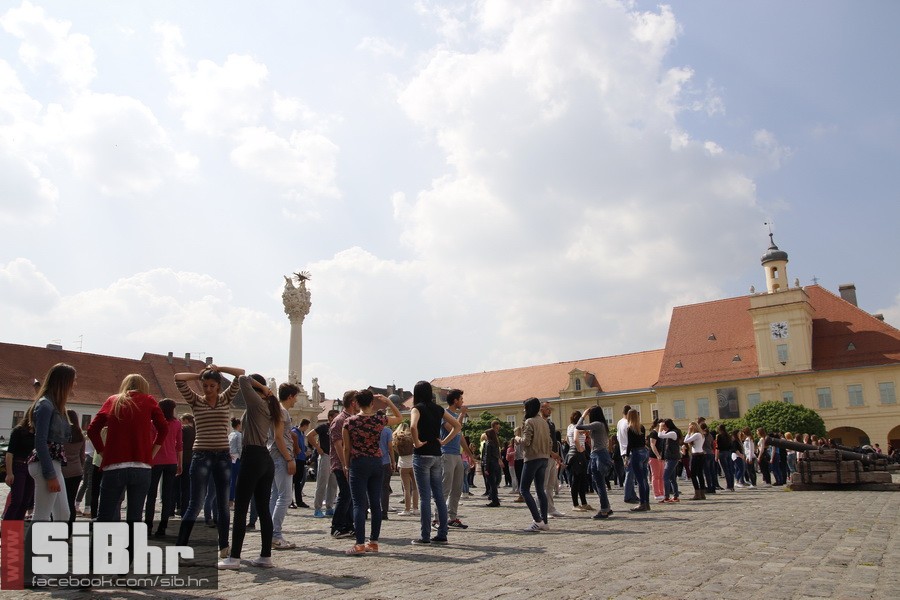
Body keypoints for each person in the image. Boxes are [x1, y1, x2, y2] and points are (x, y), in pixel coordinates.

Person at [88, 374, 168, 570]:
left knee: (104, 517)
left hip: (114, 466)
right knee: (135, 518)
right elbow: (163, 429)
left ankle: (92, 568)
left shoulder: (113, 401)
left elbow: (92, 429)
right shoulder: (149, 400)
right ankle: (125, 567)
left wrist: (102, 451)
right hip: (141, 467)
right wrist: (152, 451)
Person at [174, 364, 245, 560]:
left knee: (223, 503)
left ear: (219, 386)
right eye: (205, 385)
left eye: (212, 385)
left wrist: (218, 368)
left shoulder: (225, 398)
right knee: (195, 503)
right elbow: (178, 377)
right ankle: (180, 547)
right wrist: (200, 374)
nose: (208, 389)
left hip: (222, 455)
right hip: (201, 455)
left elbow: (240, 374)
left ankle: (224, 546)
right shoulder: (196, 401)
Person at [218, 374, 282, 570]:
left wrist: (262, 387)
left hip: (252, 456)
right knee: (263, 509)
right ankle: (265, 556)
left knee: (241, 508)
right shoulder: (269, 405)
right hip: (265, 458)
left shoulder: (257, 403)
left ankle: (234, 557)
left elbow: (243, 379)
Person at [341, 389, 403, 555]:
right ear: (372, 403)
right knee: (375, 504)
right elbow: (399, 418)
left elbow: (346, 448)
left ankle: (359, 544)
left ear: (356, 403)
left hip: (358, 463)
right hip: (376, 462)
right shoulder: (379, 420)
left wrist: (346, 466)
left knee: (359, 504)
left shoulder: (349, 422)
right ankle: (374, 542)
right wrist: (388, 401)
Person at [410, 380, 461, 545]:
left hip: (422, 455)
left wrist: (416, 443)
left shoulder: (416, 408)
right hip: (437, 454)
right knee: (439, 496)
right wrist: (444, 441)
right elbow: (457, 426)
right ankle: (442, 533)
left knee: (425, 497)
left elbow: (413, 427)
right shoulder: (439, 409)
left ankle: (425, 536)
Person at [28, 363, 75, 523]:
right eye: (72, 380)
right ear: (63, 381)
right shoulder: (45, 405)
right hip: (45, 464)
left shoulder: (54, 405)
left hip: (53, 463)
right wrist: (50, 475)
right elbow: (40, 441)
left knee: (63, 515)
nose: (74, 384)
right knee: (41, 516)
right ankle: (32, 542)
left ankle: (53, 540)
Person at [146, 398, 183, 537]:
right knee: (167, 495)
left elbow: (150, 442)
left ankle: (148, 526)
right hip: (171, 461)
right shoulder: (177, 424)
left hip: (155, 461)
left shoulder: (153, 423)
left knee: (151, 495)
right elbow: (179, 445)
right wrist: (180, 463)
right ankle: (162, 527)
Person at [440, 389, 476, 530]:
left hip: (457, 455)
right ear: (455, 401)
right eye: (461, 399)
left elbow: (460, 437)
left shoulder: (455, 415)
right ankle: (438, 518)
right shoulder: (445, 414)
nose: (462, 401)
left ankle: (452, 517)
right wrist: (461, 415)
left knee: (457, 489)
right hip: (447, 454)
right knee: (445, 488)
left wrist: (470, 455)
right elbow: (453, 430)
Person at [270, 383, 300, 550]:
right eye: (295, 397)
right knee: (285, 497)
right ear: (290, 396)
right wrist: (289, 459)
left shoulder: (277, 410)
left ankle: (270, 533)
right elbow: (278, 437)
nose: (296, 400)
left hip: (275, 456)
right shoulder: (282, 411)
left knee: (275, 496)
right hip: (281, 457)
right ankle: (275, 535)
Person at [518, 398, 551, 532]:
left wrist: (517, 438)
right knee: (540, 490)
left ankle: (537, 520)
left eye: (525, 408)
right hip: (544, 458)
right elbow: (550, 442)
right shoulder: (544, 422)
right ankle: (544, 521)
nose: (524, 410)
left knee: (524, 489)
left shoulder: (529, 421)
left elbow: (526, 441)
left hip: (532, 458)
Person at [330, 391, 360, 538]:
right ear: (353, 403)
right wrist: (344, 464)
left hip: (349, 463)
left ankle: (348, 525)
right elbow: (338, 444)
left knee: (349, 495)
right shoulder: (340, 420)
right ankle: (337, 526)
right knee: (345, 494)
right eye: (358, 401)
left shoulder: (351, 419)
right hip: (341, 463)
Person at [575, 405, 613, 519]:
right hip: (598, 454)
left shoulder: (597, 424)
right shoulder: (602, 425)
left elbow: (578, 426)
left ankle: (604, 510)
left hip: (598, 455)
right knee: (596, 483)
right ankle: (606, 507)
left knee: (599, 484)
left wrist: (583, 415)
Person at [3, 407, 36, 521]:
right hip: (18, 466)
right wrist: (9, 473)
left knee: (25, 502)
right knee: (16, 501)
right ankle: (7, 528)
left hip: (31, 468)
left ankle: (16, 529)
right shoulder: (18, 431)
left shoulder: (38, 433)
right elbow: (9, 453)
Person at [308, 410, 338, 518]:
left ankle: (329, 507)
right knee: (322, 483)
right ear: (330, 417)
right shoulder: (323, 427)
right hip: (325, 456)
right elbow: (310, 435)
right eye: (335, 416)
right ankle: (318, 508)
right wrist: (318, 448)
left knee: (333, 483)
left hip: (335, 457)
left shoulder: (337, 428)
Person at [540, 401, 565, 518]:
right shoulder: (540, 423)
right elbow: (542, 441)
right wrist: (551, 453)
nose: (549, 410)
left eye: (550, 408)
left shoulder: (551, 423)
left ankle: (551, 508)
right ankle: (543, 510)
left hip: (552, 457)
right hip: (544, 456)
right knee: (543, 486)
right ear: (541, 409)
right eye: (547, 408)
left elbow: (554, 441)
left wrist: (556, 455)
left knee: (550, 485)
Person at [61, 410, 85, 526]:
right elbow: (82, 456)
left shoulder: (62, 433)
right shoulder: (80, 435)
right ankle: (70, 528)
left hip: (62, 470)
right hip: (76, 471)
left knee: (59, 501)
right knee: (71, 501)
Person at [624, 409, 650, 512]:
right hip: (644, 452)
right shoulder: (642, 427)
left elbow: (630, 444)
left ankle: (642, 503)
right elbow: (643, 441)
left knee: (640, 480)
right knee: (644, 479)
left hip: (636, 453)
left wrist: (626, 457)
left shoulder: (630, 428)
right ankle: (646, 503)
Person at [566, 411, 590, 512]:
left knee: (581, 479)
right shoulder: (576, 427)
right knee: (576, 480)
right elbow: (575, 440)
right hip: (577, 453)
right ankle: (575, 504)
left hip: (575, 452)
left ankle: (583, 503)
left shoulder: (570, 427)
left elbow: (568, 439)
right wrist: (579, 448)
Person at [393, 422, 419, 515]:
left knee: (406, 489)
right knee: (415, 488)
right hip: (413, 463)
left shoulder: (396, 438)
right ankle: (415, 508)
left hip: (403, 464)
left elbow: (395, 450)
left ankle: (407, 509)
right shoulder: (412, 437)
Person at [616, 405, 638, 503]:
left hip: (623, 450)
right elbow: (632, 439)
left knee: (629, 473)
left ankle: (632, 494)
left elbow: (618, 436)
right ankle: (628, 496)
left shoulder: (619, 422)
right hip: (629, 451)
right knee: (630, 474)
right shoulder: (628, 423)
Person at [175, 414, 195, 516]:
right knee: (187, 486)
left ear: (186, 420)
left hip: (182, 458)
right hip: (192, 458)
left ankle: (178, 508)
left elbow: (178, 443)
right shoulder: (195, 430)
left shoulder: (184, 429)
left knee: (178, 486)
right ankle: (185, 509)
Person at [658, 419, 681, 503]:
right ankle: (675, 496)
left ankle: (666, 497)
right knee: (672, 478)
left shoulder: (673, 433)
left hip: (672, 458)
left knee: (665, 477)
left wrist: (660, 426)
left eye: (664, 426)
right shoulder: (670, 432)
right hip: (670, 458)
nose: (663, 427)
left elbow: (660, 435)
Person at [684, 422, 707, 500]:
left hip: (696, 455)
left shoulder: (697, 434)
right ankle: (702, 493)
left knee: (693, 474)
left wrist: (688, 432)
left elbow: (685, 440)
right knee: (700, 474)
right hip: (700, 454)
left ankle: (697, 493)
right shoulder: (701, 435)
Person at [292, 419, 311, 509]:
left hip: (301, 459)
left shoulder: (301, 433)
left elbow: (302, 445)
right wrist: (299, 451)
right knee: (293, 481)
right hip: (296, 459)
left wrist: (306, 450)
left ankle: (299, 501)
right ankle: (291, 501)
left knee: (298, 481)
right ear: (305, 425)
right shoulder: (294, 432)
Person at [482, 427, 502, 507]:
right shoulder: (496, 443)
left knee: (491, 484)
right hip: (496, 464)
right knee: (494, 483)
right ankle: (495, 499)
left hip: (490, 465)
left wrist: (485, 468)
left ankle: (494, 500)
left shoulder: (488, 443)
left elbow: (487, 456)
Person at [378, 420, 394, 519]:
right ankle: (384, 512)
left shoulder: (370, 429)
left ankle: (366, 510)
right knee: (385, 488)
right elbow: (390, 447)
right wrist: (393, 461)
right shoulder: (387, 431)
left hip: (373, 461)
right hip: (385, 462)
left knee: (369, 487)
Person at [715, 424, 736, 491]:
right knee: (730, 470)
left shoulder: (719, 436)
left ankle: (729, 486)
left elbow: (718, 447)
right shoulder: (728, 436)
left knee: (726, 470)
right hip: (728, 453)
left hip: (722, 453)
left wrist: (716, 456)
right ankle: (732, 486)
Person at [229, 418, 243, 509]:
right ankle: (232, 500)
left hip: (231, 458)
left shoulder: (230, 434)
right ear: (238, 425)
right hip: (237, 458)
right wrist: (242, 458)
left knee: (232, 480)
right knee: (235, 480)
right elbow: (239, 447)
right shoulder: (239, 435)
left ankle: (230, 500)